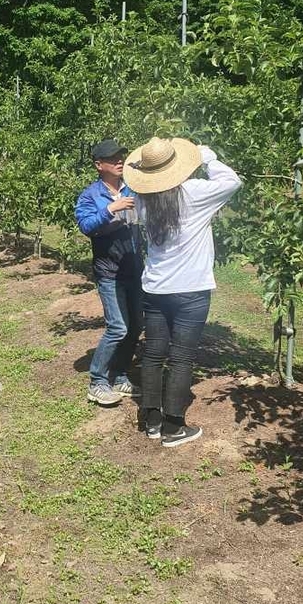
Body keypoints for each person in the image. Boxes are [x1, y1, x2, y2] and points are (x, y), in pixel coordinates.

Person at [123, 138, 242, 447]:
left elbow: (133, 201)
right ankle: (174, 427)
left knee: (153, 354)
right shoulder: (195, 192)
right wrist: (208, 157)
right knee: (181, 358)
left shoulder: (143, 199)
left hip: (156, 288)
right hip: (191, 289)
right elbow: (232, 182)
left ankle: (152, 420)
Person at [75, 139, 143, 407]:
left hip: (134, 269)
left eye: (121, 157)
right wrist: (110, 209)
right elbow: (86, 226)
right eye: (113, 158)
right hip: (109, 271)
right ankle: (98, 381)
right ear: (98, 164)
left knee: (135, 326)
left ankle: (119, 375)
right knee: (118, 327)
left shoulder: (132, 188)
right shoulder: (90, 195)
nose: (119, 161)